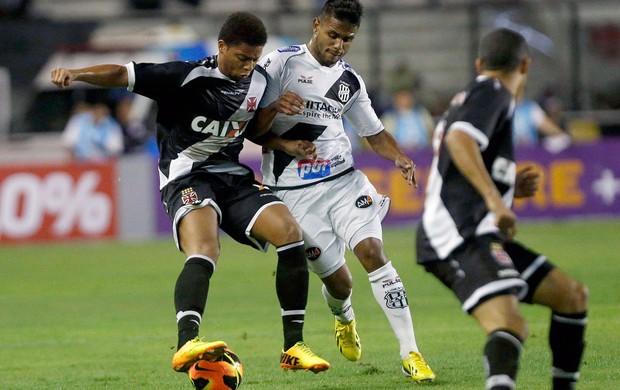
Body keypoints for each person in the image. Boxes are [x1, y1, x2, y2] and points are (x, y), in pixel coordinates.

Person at [51, 11, 331, 375]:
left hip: (232, 177)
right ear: (222, 46)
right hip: (186, 176)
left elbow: (253, 133)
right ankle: (187, 343)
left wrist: (284, 138)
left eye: (255, 59)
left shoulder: (260, 83)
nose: (249, 66)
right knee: (205, 247)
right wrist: (76, 75)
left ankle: (293, 346)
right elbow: (123, 74)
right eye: (242, 57)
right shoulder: (184, 76)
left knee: (291, 235)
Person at [250, 0, 435, 382]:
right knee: (339, 282)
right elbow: (250, 128)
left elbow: (373, 132)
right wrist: (274, 113)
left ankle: (411, 352)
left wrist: (399, 158)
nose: (338, 44)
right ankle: (343, 317)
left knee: (373, 252)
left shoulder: (349, 81)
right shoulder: (280, 64)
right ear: (317, 25)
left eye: (347, 39)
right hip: (293, 194)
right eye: (333, 35)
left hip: (343, 182)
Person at [415, 28, 588, 390]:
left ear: (480, 63)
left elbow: (454, 160)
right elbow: (459, 139)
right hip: (458, 234)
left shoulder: (476, 97)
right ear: (525, 64)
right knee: (511, 325)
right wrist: (496, 202)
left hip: (478, 230)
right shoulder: (493, 91)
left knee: (570, 296)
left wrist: (505, 189)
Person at [61, 96, 124, 161]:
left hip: (103, 163)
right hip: (80, 162)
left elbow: (115, 149)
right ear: (92, 109)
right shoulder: (78, 120)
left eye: (101, 109)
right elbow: (68, 143)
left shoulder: (112, 125)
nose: (99, 112)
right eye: (96, 109)